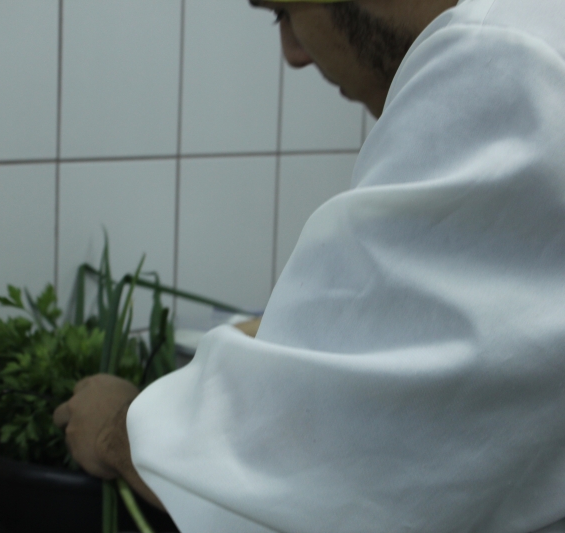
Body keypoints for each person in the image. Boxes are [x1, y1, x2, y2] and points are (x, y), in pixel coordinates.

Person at [54, 0, 565, 530]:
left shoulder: (501, 63)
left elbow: (331, 474)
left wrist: (119, 432)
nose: (293, 53)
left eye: (283, 10)